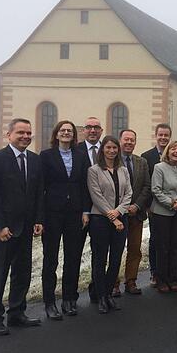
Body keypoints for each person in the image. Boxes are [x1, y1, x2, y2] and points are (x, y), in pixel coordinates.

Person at [0, 118, 44, 335]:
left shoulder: (35, 160)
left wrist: (38, 220)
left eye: (28, 133)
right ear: (9, 135)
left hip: (26, 228)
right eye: (21, 133)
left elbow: (38, 193)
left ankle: (17, 313)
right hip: (4, 231)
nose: (25, 136)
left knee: (22, 273)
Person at [40, 120, 88, 320]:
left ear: (74, 135)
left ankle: (69, 299)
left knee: (73, 257)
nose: (66, 133)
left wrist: (86, 211)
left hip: (75, 212)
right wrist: (40, 217)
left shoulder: (81, 155)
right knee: (50, 259)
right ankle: (49, 302)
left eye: (69, 130)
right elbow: (41, 187)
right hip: (52, 212)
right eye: (63, 130)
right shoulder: (46, 156)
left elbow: (85, 185)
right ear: (56, 134)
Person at [87, 136, 132, 313]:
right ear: (102, 150)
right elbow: (96, 195)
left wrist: (119, 212)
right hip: (100, 220)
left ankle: (108, 294)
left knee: (115, 259)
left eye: (114, 148)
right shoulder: (94, 170)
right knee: (100, 259)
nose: (112, 151)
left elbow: (129, 193)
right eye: (108, 147)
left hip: (121, 218)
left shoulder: (123, 170)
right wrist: (112, 217)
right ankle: (100, 297)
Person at [150, 140, 177, 293]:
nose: (176, 152)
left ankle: (173, 279)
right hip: (163, 212)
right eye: (173, 149)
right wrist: (172, 203)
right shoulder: (159, 167)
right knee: (163, 247)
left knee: (175, 246)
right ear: (167, 152)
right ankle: (161, 280)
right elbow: (156, 190)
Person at [114, 129, 151, 296]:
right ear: (120, 141)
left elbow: (146, 186)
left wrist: (137, 205)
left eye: (132, 140)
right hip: (117, 214)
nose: (129, 142)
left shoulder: (141, 162)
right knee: (116, 250)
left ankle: (131, 281)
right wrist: (121, 208)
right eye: (126, 139)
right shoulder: (112, 160)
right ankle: (114, 283)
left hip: (136, 214)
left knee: (135, 249)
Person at [141, 123, 173, 286]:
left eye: (166, 135)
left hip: (173, 207)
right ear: (156, 135)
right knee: (155, 240)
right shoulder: (147, 156)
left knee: (171, 241)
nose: (163, 138)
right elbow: (146, 183)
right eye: (161, 135)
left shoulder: (175, 155)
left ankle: (169, 273)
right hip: (154, 206)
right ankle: (155, 272)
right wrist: (147, 206)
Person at [76, 116, 103, 302]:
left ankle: (97, 291)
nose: (92, 130)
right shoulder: (75, 150)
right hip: (80, 211)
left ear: (101, 131)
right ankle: (71, 296)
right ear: (84, 130)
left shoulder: (109, 149)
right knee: (75, 254)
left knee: (100, 254)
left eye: (96, 127)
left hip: (102, 211)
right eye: (89, 127)